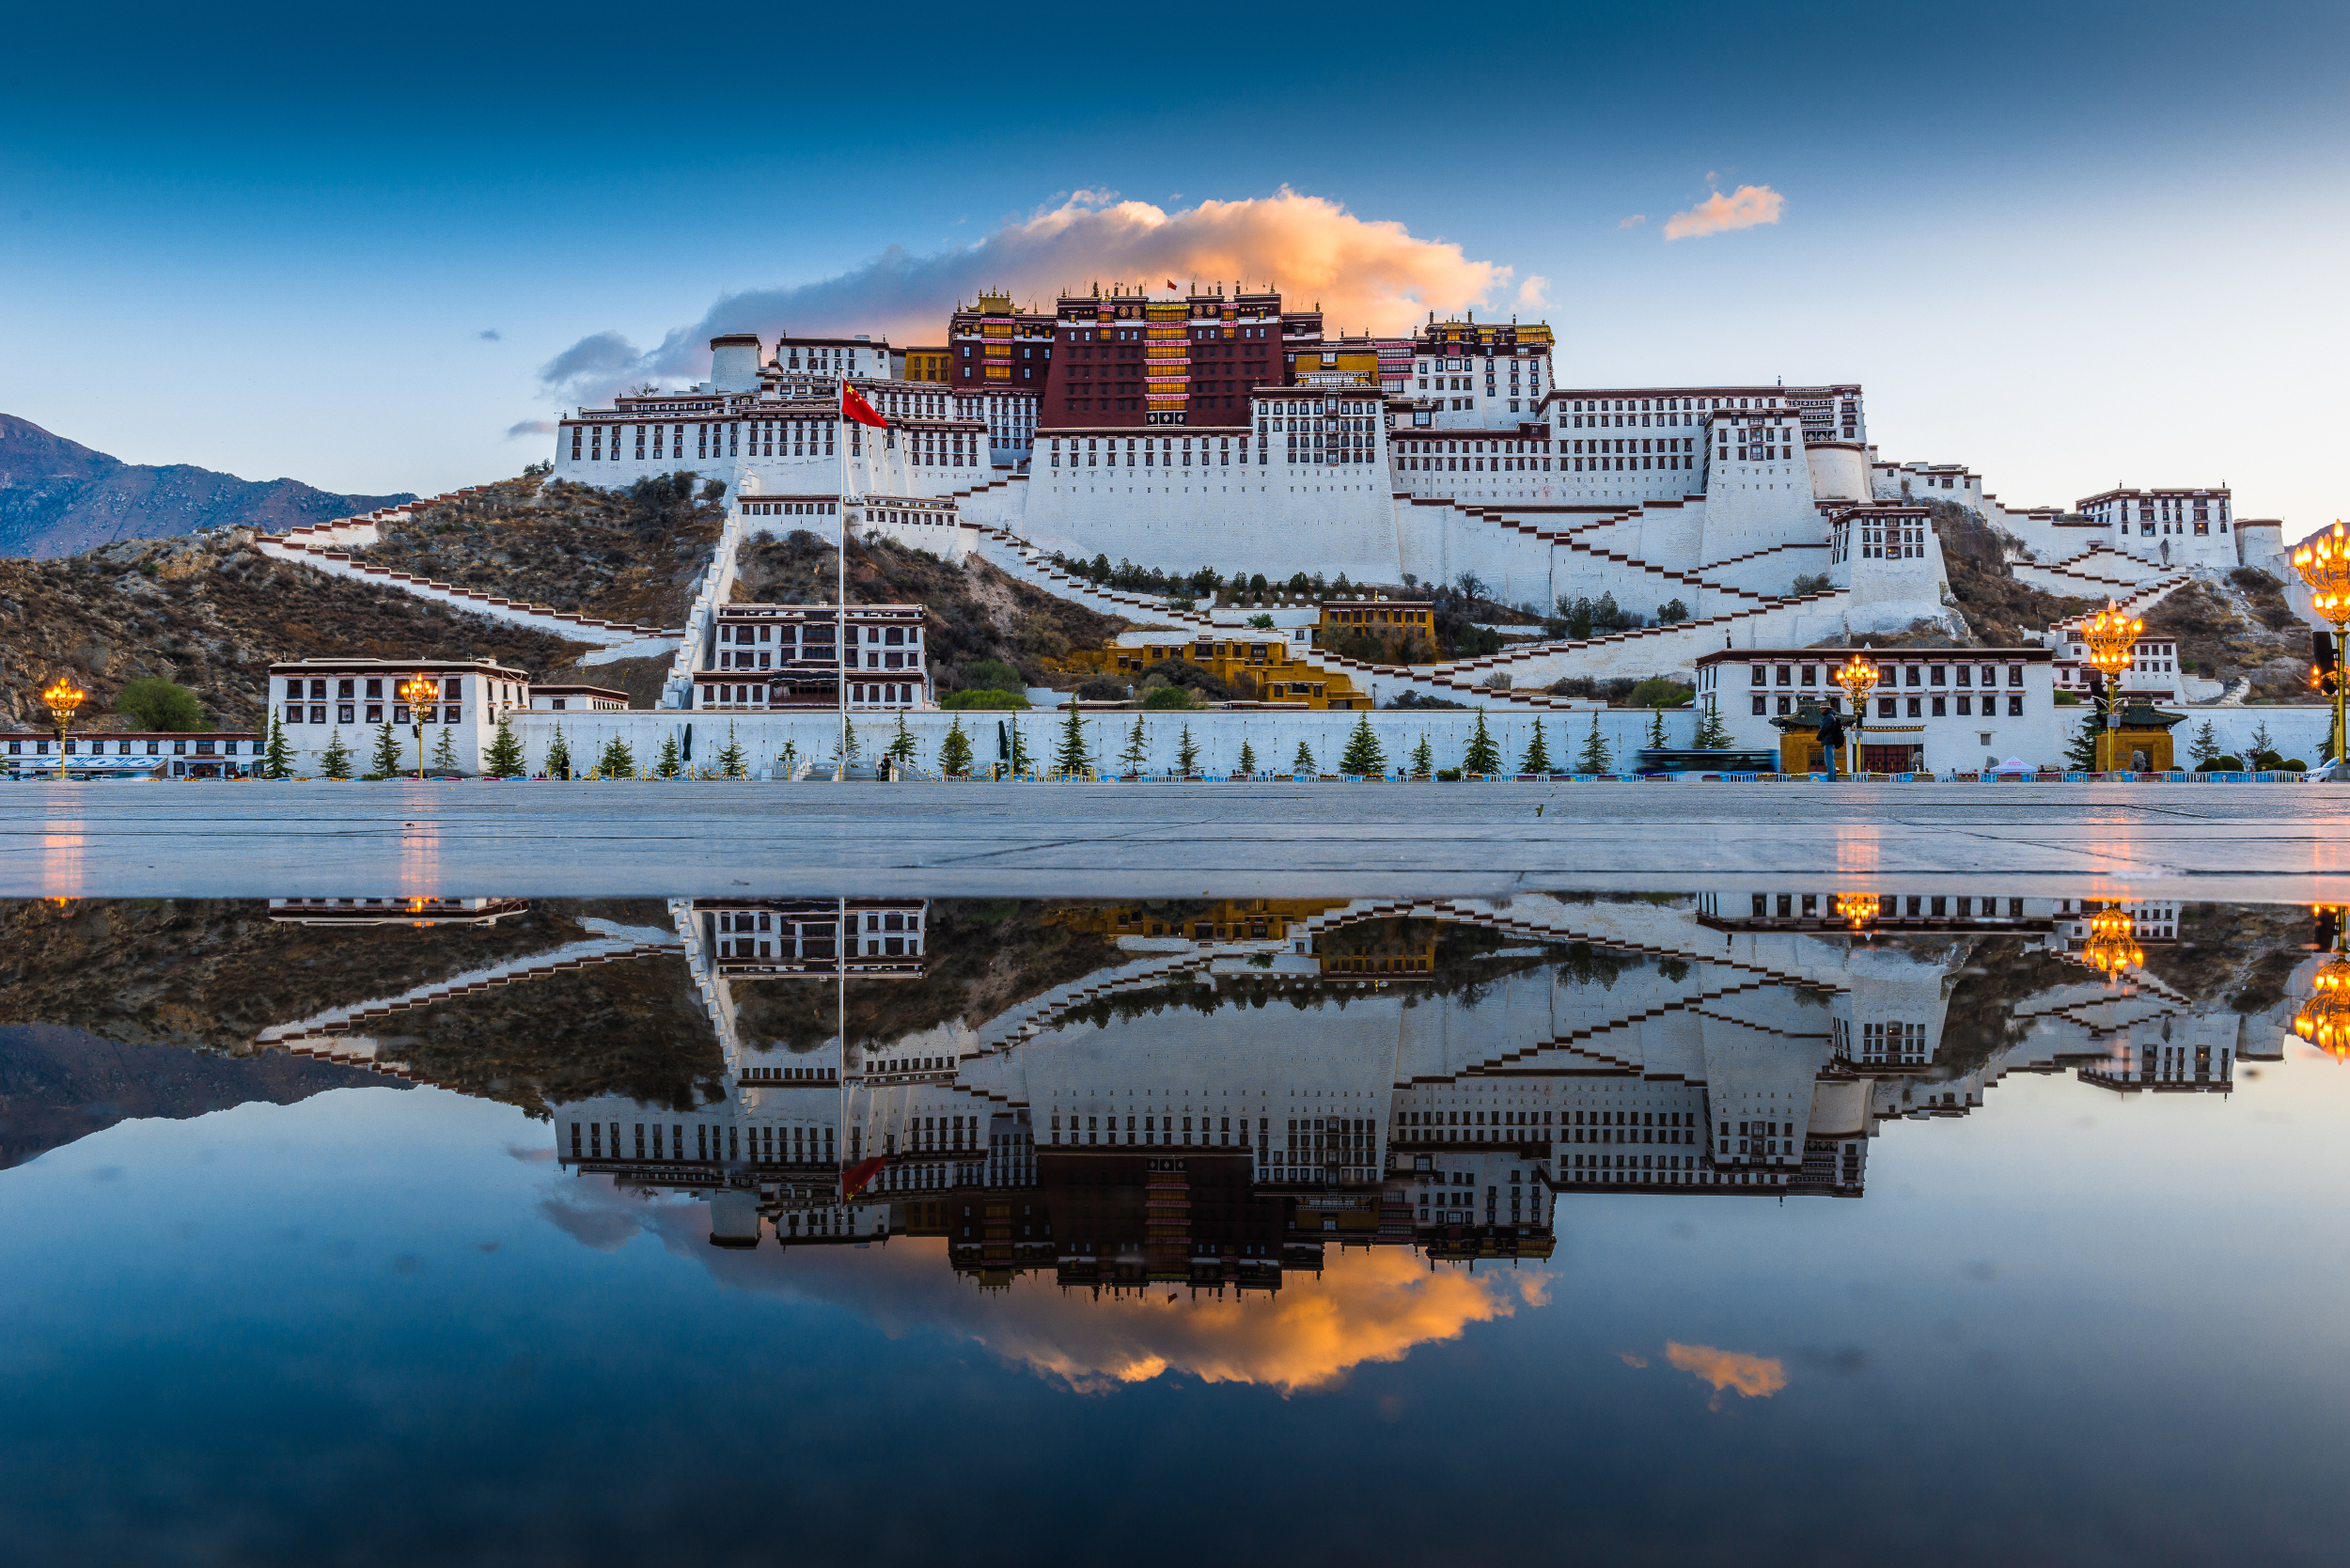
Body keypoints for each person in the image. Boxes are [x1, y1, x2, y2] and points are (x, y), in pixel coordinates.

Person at [1816, 710, 1846, 778]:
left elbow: (1825, 728)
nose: (1820, 710)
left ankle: (1831, 778)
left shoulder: (1829, 717)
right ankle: (1832, 778)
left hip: (1828, 741)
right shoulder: (1831, 716)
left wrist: (1819, 737)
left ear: (1825, 709)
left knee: (1829, 760)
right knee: (1831, 760)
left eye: (1821, 708)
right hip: (1829, 741)